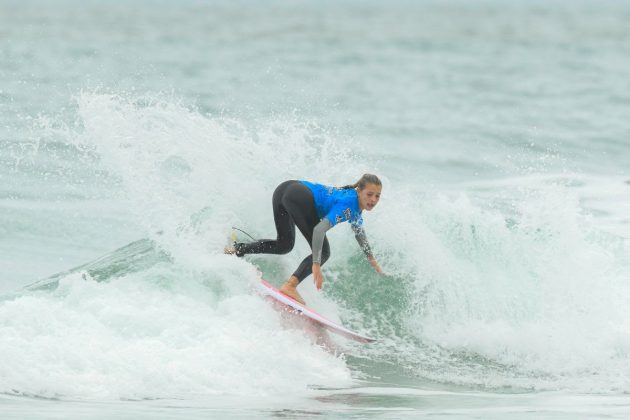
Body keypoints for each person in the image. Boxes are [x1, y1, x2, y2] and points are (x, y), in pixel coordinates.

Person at [225, 174, 383, 304]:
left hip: (285, 189)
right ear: (359, 191)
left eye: (377, 196)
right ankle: (290, 286)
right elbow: (319, 229)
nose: (374, 200)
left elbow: (359, 232)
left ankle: (237, 249)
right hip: (298, 197)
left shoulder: (354, 206)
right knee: (324, 252)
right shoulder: (348, 206)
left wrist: (371, 259)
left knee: (284, 244)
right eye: (369, 194)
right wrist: (316, 263)